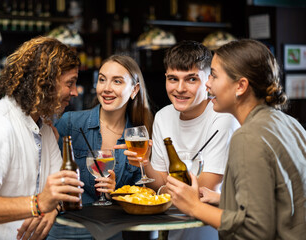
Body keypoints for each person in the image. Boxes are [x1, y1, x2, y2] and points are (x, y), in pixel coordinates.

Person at [0, 36, 85, 240]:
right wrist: (38, 204)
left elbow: (61, 190)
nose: (74, 92)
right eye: (69, 83)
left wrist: (51, 208)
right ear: (44, 83)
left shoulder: (44, 129)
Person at [167, 39, 306, 239]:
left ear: (240, 86)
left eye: (213, 76)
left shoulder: (248, 137)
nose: (207, 83)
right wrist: (224, 199)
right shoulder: (289, 123)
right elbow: (279, 202)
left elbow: (256, 230)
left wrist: (194, 207)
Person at [117, 40, 239, 240]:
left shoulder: (223, 118)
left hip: (212, 233)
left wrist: (166, 187)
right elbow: (157, 185)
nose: (180, 88)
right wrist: (145, 163)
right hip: (174, 231)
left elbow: (204, 191)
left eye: (191, 79)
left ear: (208, 81)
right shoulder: (163, 116)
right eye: (173, 79)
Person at [47, 55, 154, 239]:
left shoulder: (138, 138)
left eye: (117, 81)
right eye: (102, 79)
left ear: (134, 90)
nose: (106, 88)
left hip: (110, 232)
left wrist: (117, 194)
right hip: (67, 229)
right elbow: (45, 173)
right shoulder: (70, 123)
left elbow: (142, 194)